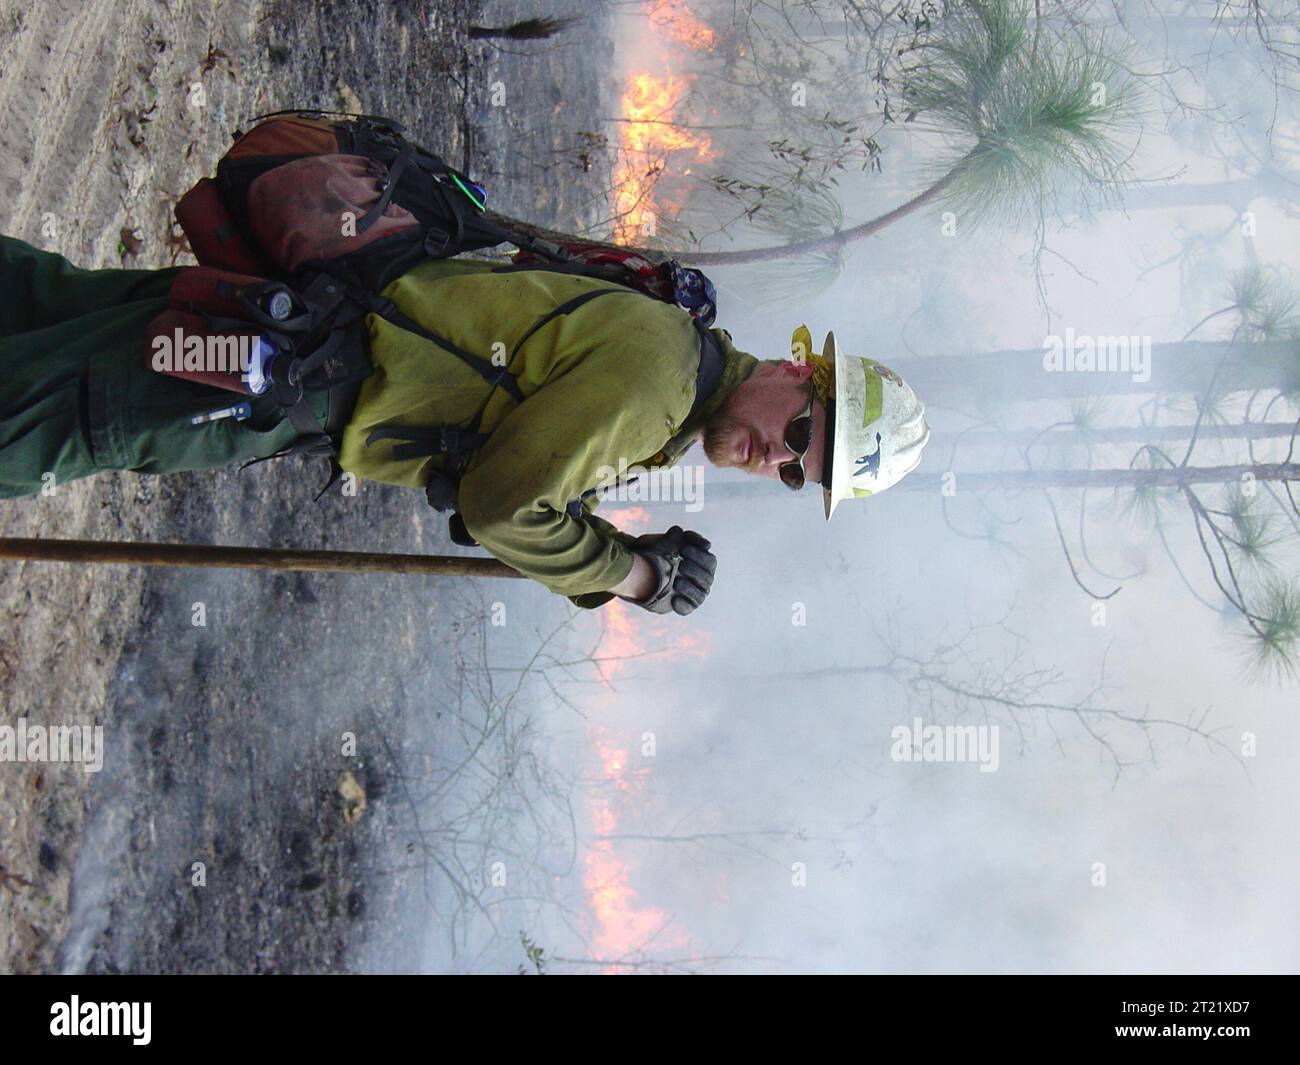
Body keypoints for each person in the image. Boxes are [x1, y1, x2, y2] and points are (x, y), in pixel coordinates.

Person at [0, 234, 929, 616]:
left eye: (799, 473)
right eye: (804, 427)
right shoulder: (658, 382)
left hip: (277, 326)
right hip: (263, 378)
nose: (782, 456)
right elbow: (501, 506)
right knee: (42, 425)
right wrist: (635, 572)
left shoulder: (676, 360)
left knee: (37, 308)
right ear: (796, 370)